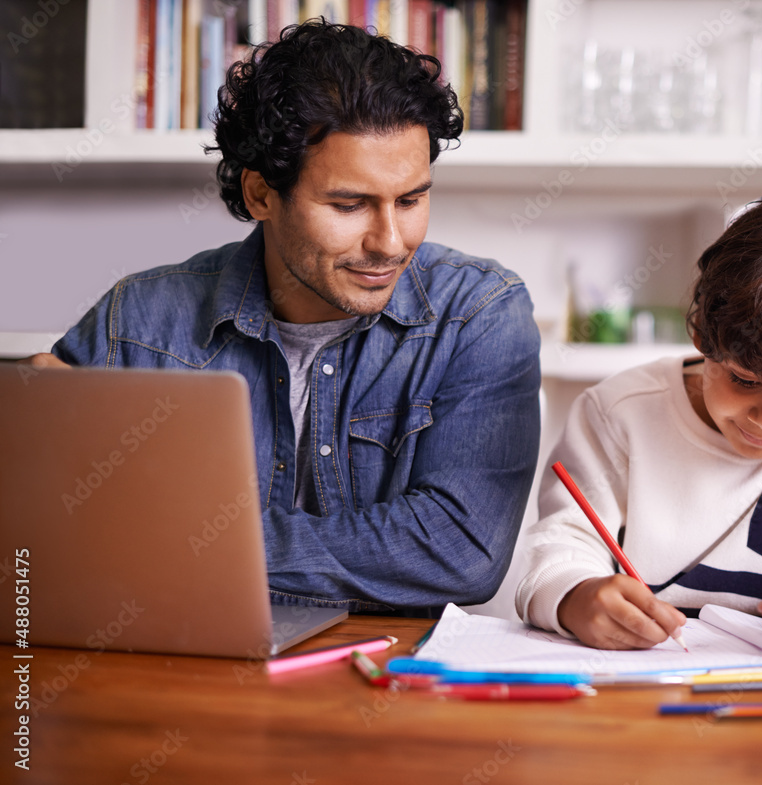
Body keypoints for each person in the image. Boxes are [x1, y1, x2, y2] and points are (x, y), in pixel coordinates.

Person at [29, 22, 542, 617]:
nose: (391, 242)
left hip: (387, 685)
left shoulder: (479, 314)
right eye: (349, 205)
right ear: (261, 195)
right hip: (173, 664)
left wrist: (172, 539)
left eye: (411, 199)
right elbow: (40, 537)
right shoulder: (137, 321)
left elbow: (459, 554)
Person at [515, 190, 762, 660]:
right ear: (702, 332)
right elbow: (560, 548)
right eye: (744, 380)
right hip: (637, 688)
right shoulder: (617, 413)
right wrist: (576, 597)